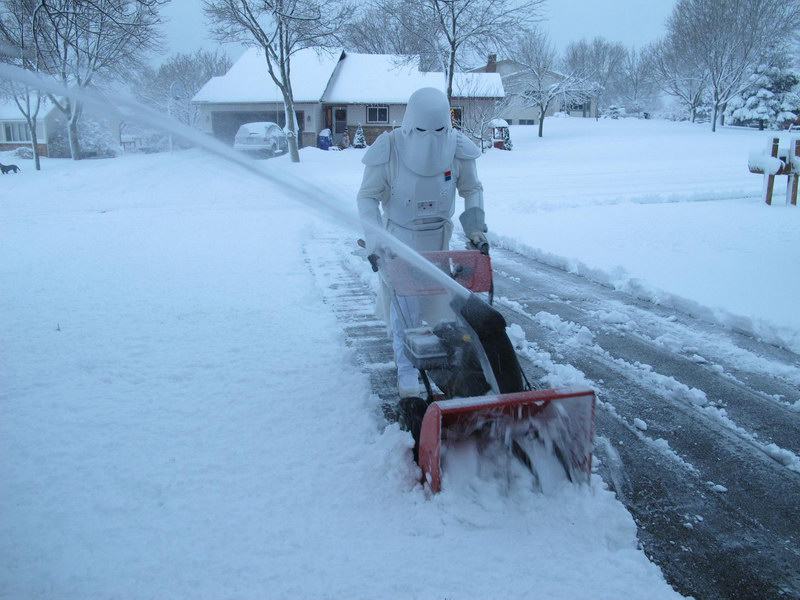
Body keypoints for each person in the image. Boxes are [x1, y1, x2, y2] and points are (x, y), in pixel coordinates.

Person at [356, 87, 488, 399]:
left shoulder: (458, 149)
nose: (431, 139)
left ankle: (450, 367)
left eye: (439, 130)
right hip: (398, 242)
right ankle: (407, 372)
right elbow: (367, 197)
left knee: (445, 309)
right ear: (410, 123)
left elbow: (473, 188)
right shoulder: (388, 148)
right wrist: (376, 240)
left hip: (440, 241)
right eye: (422, 130)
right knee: (406, 308)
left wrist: (475, 230)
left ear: (449, 123)